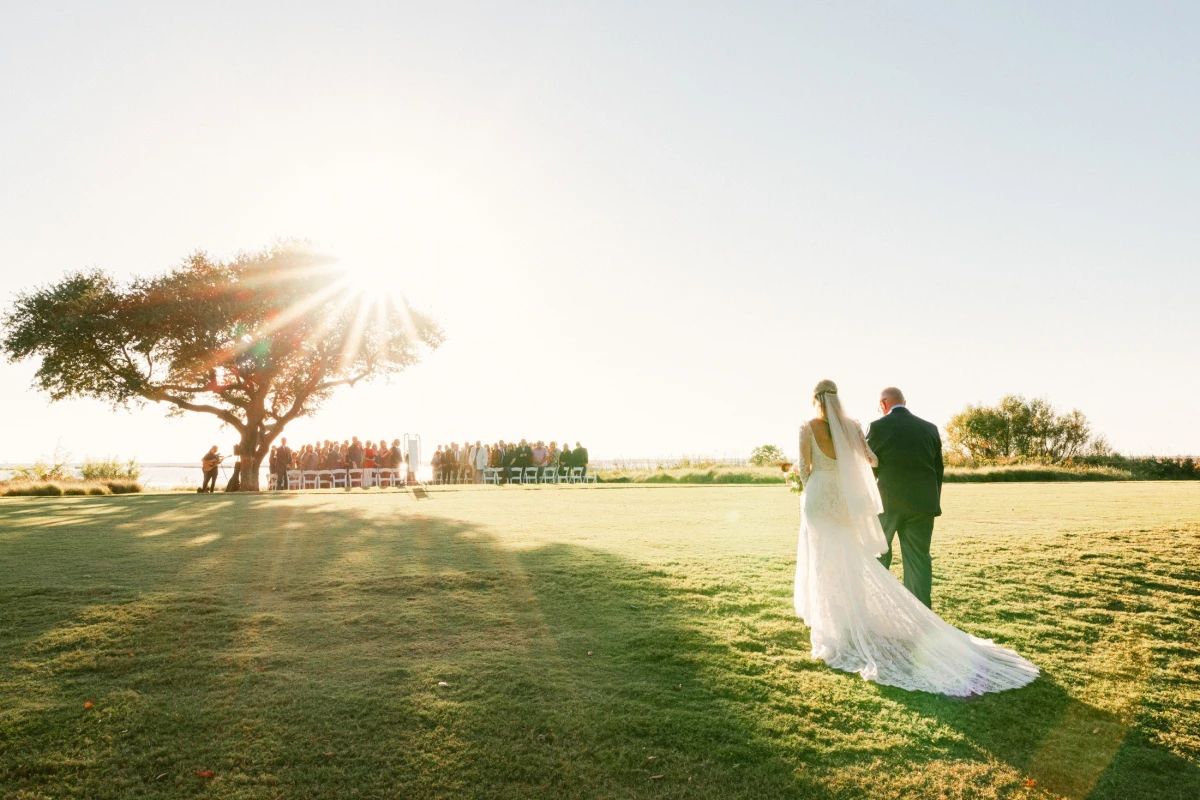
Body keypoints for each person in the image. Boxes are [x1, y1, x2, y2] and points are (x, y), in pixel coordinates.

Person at [792, 379, 1038, 695]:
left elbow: (805, 469)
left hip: (834, 499)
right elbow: (911, 465)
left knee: (850, 560)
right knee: (910, 559)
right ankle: (917, 618)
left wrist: (811, 488)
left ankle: (842, 622)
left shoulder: (834, 427)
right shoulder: (921, 427)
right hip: (907, 504)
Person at [868, 386, 945, 608]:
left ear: (883, 404)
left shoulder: (877, 427)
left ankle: (878, 611)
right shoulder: (930, 428)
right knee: (919, 561)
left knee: (879, 557)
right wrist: (932, 500)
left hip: (887, 504)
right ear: (904, 401)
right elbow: (937, 469)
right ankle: (922, 616)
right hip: (923, 505)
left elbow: (868, 467)